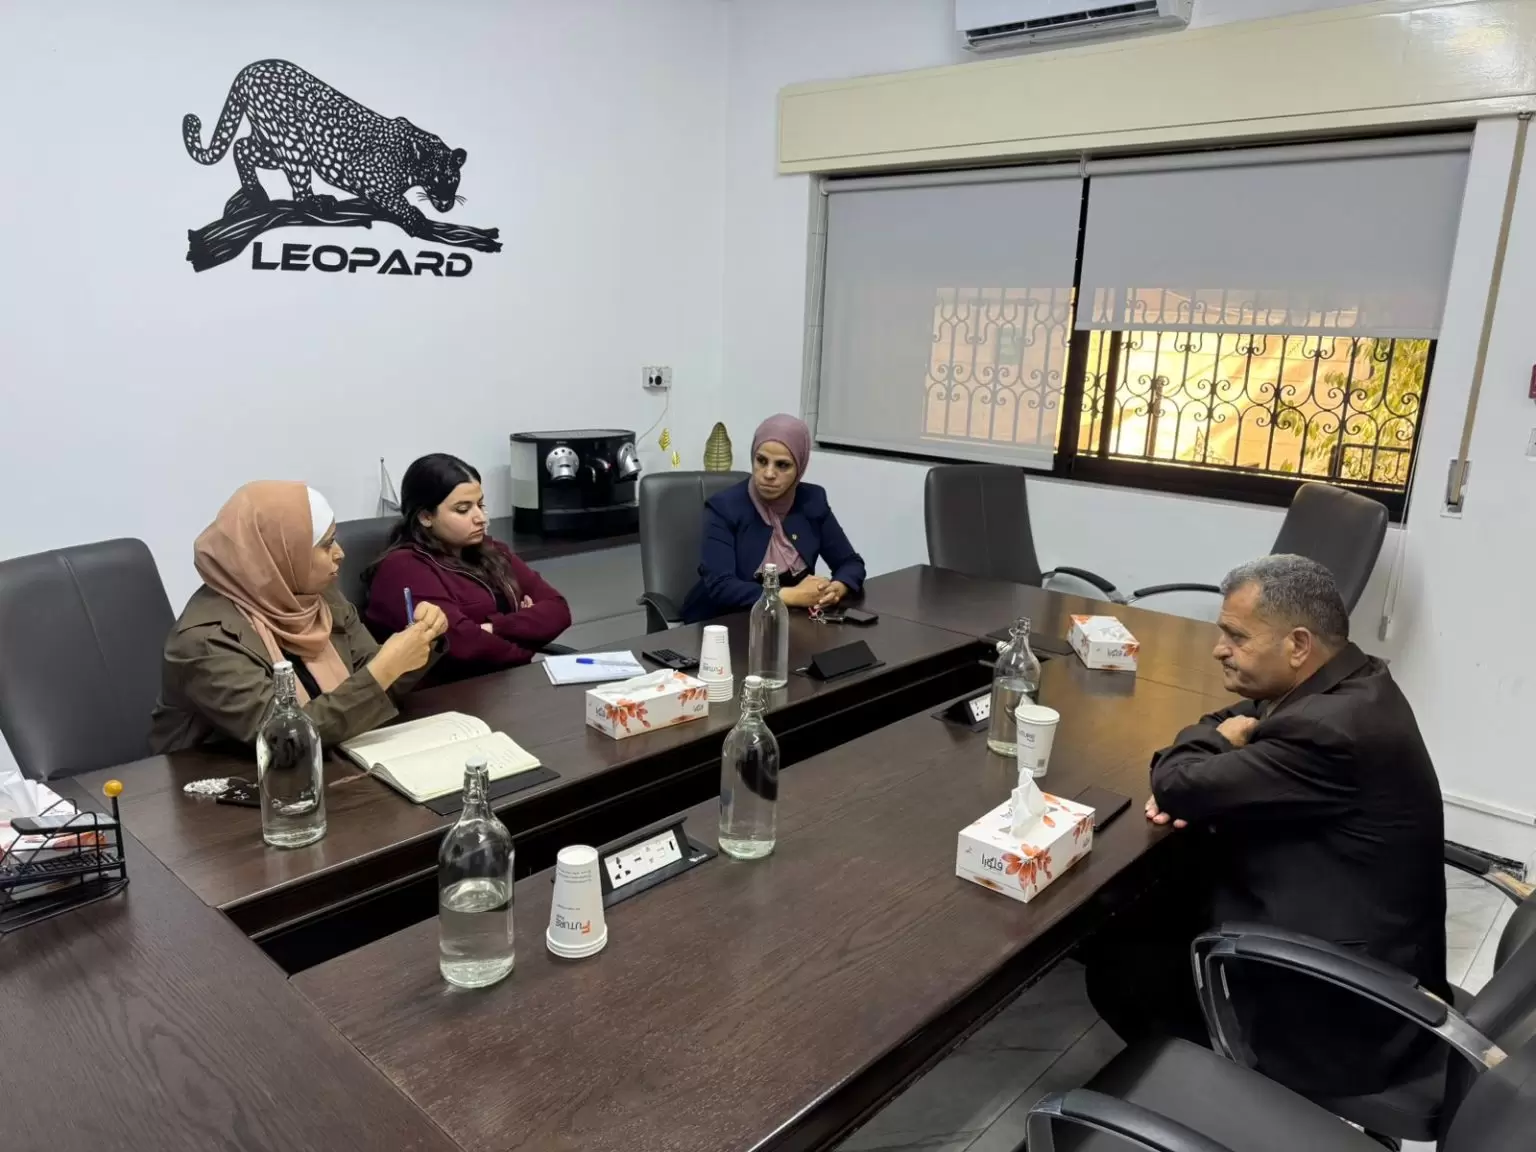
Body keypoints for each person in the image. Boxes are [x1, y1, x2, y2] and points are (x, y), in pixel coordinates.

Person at [1083, 554, 1447, 1099]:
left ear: (1298, 645)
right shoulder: (1352, 680)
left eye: (1236, 636)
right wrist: (1221, 746)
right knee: (1156, 899)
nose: (1219, 649)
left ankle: (1225, 1104)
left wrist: (1212, 750)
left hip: (1337, 1017)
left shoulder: (1329, 730)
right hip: (1367, 948)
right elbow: (1243, 718)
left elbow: (1176, 784)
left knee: (1117, 967)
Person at [150, 481, 448, 752]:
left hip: (329, 761)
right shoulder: (204, 640)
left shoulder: (315, 596)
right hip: (219, 784)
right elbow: (284, 736)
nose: (340, 553)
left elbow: (373, 687)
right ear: (278, 554)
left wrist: (423, 638)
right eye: (327, 544)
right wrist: (385, 668)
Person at [364, 453, 571, 680]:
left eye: (480, 505)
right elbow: (460, 644)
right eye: (463, 509)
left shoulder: (493, 551)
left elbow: (558, 610)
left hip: (505, 683)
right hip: (446, 694)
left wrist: (491, 628)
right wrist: (526, 641)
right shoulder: (403, 567)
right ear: (425, 517)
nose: (480, 518)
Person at [680, 414, 865, 624]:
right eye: (761, 461)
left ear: (800, 468)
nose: (768, 473)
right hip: (723, 622)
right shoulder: (724, 507)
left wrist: (836, 588)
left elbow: (850, 563)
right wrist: (794, 596)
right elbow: (721, 586)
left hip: (787, 622)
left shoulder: (812, 501)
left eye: (782, 465)